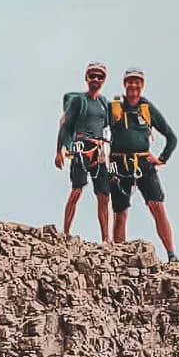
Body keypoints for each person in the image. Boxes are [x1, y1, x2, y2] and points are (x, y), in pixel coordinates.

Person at [105, 67, 178, 260]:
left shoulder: (147, 109)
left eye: (137, 82)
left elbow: (171, 137)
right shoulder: (115, 107)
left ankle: (172, 255)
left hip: (144, 164)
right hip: (118, 164)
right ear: (125, 84)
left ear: (142, 85)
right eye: (130, 81)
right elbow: (96, 124)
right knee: (119, 213)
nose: (133, 85)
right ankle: (118, 257)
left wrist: (161, 159)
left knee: (157, 207)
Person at [54, 61, 114, 240]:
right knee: (77, 190)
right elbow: (65, 125)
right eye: (92, 76)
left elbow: (111, 124)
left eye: (100, 76)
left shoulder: (103, 102)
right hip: (81, 148)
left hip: (99, 150)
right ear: (86, 78)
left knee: (104, 195)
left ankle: (106, 239)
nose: (96, 79)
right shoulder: (79, 101)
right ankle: (65, 232)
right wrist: (59, 150)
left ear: (104, 80)